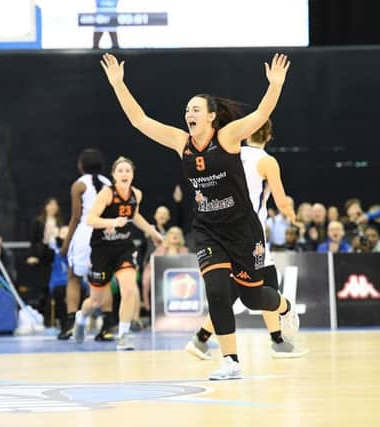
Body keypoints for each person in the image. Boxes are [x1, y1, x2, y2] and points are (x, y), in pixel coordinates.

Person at [101, 52, 299, 380]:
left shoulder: (228, 137)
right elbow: (141, 121)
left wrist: (275, 85)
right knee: (218, 291)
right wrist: (119, 84)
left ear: (210, 116)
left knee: (252, 298)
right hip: (207, 229)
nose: (188, 113)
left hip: (242, 230)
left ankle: (284, 307)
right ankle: (231, 361)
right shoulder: (182, 143)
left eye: (195, 109)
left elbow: (262, 112)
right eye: (187, 109)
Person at [184, 119, 306, 361]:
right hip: (249, 232)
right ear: (269, 136)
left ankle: (201, 338)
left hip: (217, 227)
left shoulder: (228, 152)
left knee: (233, 290)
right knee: (260, 286)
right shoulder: (266, 161)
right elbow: (282, 202)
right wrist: (293, 217)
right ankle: (278, 340)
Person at [73, 157, 163, 350]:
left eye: (127, 171)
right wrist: (112, 222)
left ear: (132, 174)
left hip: (124, 248)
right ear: (114, 175)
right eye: (120, 171)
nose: (124, 174)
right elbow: (90, 219)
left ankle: (123, 336)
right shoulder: (107, 194)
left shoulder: (136, 194)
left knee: (129, 289)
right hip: (102, 249)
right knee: (96, 301)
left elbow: (135, 216)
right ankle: (81, 317)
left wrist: (153, 232)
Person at [57, 148, 113, 340]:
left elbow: (75, 218)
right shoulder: (109, 183)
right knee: (103, 280)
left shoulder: (79, 185)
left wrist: (65, 245)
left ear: (81, 165)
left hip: (85, 233)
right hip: (104, 233)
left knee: (73, 277)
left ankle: (71, 323)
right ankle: (107, 326)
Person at [141, 226, 189, 312]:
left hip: (181, 285)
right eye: (172, 233)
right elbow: (149, 269)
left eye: (178, 233)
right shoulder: (159, 251)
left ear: (181, 237)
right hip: (161, 285)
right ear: (167, 236)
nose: (175, 235)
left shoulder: (186, 251)